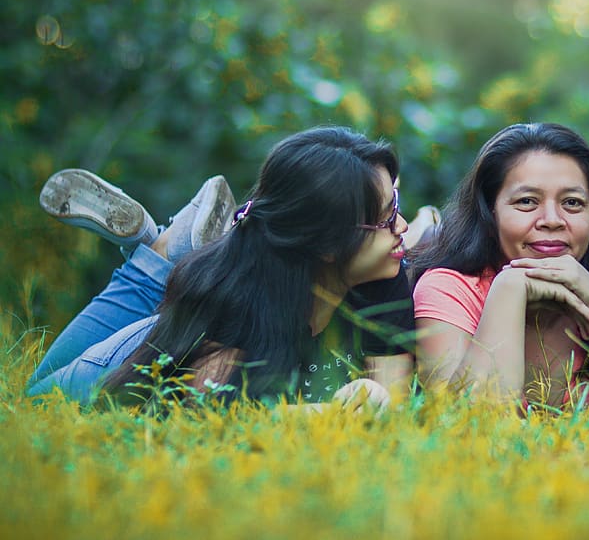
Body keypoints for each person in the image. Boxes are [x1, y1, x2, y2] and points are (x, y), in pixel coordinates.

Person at [27, 126, 416, 410]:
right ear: (329, 243)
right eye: (387, 218)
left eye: (396, 205)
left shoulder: (382, 273)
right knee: (36, 397)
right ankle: (158, 260)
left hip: (203, 291)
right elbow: (212, 416)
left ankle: (172, 251)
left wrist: (374, 399)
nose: (402, 228)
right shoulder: (235, 313)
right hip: (119, 363)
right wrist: (331, 414)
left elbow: (390, 404)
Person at [408, 122, 589, 407]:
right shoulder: (449, 289)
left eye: (572, 203)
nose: (552, 219)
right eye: (527, 201)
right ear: (491, 212)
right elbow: (466, 423)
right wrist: (509, 289)